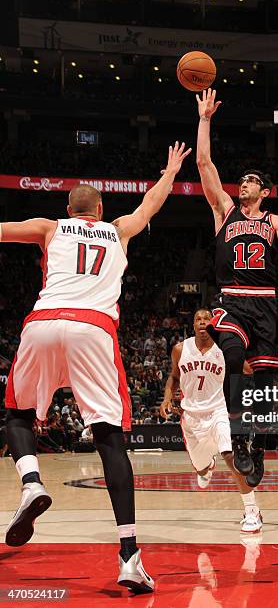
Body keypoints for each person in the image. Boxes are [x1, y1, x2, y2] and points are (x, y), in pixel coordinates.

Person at [2, 141, 191, 593]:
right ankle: (128, 557)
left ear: (68, 209)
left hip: (44, 322)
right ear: (101, 209)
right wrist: (168, 172)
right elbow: (150, 205)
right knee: (110, 437)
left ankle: (30, 482)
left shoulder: (49, 227)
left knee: (17, 412)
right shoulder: (120, 229)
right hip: (94, 329)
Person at [196, 88, 278, 488]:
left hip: (266, 303)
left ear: (265, 192)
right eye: (244, 180)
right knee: (233, 357)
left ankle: (257, 444)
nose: (245, 184)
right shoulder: (223, 210)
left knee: (268, 388)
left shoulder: (276, 221)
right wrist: (205, 119)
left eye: (253, 181)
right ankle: (236, 438)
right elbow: (203, 162)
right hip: (232, 300)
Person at [160, 309, 262, 533]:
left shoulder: (225, 349)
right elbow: (174, 376)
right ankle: (207, 467)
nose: (203, 322)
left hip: (219, 411)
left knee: (231, 456)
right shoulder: (180, 349)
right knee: (200, 469)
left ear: (213, 324)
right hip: (191, 417)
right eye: (198, 319)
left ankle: (252, 512)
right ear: (193, 324)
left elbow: (249, 371)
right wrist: (167, 399)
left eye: (207, 319)